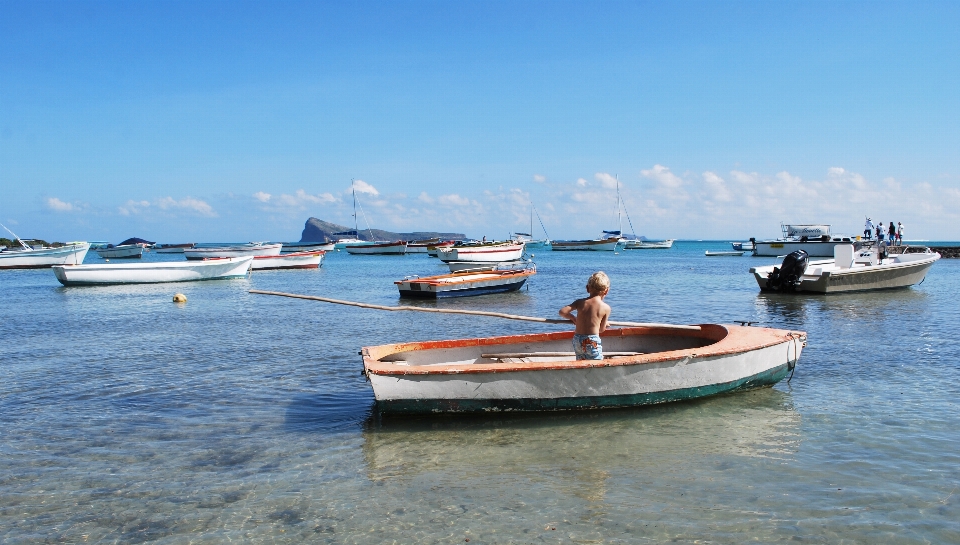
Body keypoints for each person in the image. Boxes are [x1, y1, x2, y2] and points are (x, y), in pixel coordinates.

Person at [559, 271, 611, 360]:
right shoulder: (606, 308)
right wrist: (605, 324)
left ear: (587, 288)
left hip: (577, 339)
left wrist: (573, 318)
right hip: (592, 340)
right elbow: (601, 330)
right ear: (606, 291)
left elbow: (562, 312)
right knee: (596, 363)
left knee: (581, 361)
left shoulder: (580, 302)